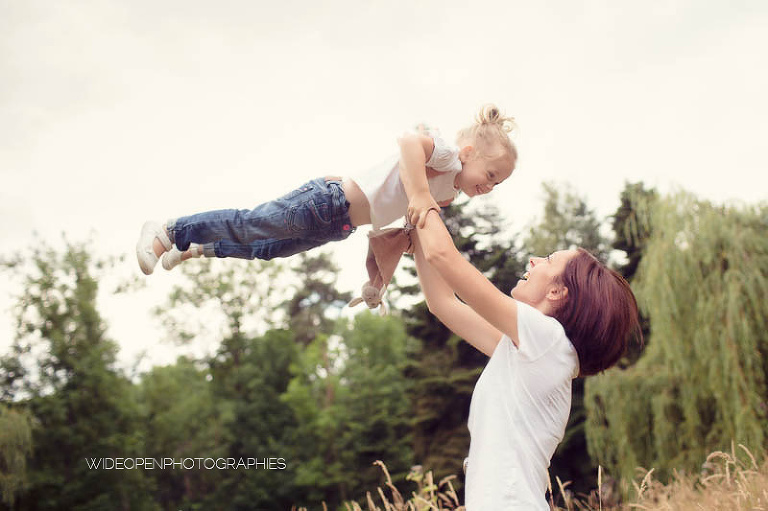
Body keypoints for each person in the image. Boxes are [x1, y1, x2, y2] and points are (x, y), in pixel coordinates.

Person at [411, 210, 642, 510]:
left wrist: (420, 194)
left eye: (547, 259)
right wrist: (414, 224)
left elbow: (443, 255)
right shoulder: (533, 353)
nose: (533, 259)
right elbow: (442, 303)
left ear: (557, 291)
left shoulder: (549, 341)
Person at [135, 105, 517, 275]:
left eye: (497, 182)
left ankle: (198, 248)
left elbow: (405, 228)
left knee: (267, 250)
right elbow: (408, 142)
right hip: (328, 200)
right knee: (252, 224)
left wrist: (378, 276)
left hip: (338, 226)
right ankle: (169, 232)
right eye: (491, 173)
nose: (490, 185)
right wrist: (419, 195)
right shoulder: (447, 157)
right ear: (468, 153)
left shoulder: (446, 194)